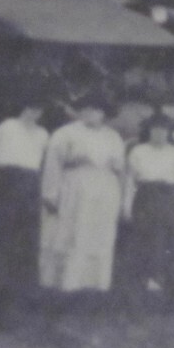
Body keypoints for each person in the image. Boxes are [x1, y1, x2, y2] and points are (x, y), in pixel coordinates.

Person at [39, 93, 127, 292]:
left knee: (98, 235)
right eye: (86, 109)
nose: (91, 114)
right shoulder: (65, 133)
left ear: (104, 114)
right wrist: (51, 194)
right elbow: (53, 165)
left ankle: (95, 286)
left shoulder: (112, 137)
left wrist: (121, 198)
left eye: (96, 110)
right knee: (72, 233)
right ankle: (67, 285)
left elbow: (120, 168)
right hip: (74, 188)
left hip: (104, 190)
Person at [0, 98, 51, 301]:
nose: (33, 113)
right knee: (1, 241)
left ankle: (18, 300)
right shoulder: (7, 127)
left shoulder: (43, 134)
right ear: (23, 106)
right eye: (30, 107)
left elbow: (45, 167)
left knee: (24, 244)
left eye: (38, 110)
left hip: (30, 191)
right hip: (5, 188)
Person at [123, 113, 174, 292]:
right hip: (146, 198)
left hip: (172, 198)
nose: (159, 134)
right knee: (151, 237)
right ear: (149, 132)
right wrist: (126, 205)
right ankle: (152, 278)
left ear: (169, 133)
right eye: (155, 130)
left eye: (164, 131)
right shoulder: (138, 151)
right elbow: (130, 182)